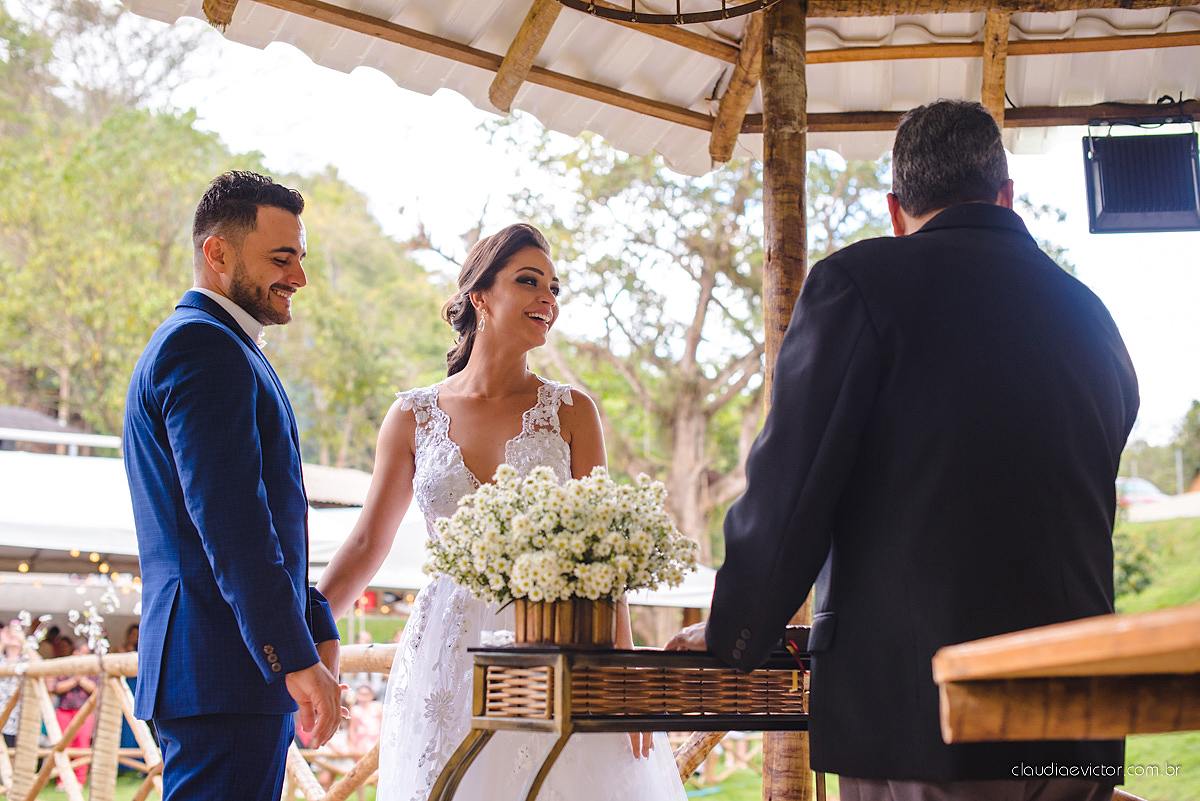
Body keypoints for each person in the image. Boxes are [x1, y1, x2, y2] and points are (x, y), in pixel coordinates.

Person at [667, 100, 1139, 801]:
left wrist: (735, 632)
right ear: (1007, 198)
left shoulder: (858, 285)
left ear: (896, 209)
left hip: (924, 714)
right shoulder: (1092, 317)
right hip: (1080, 722)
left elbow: (790, 493)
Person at [317, 223, 686, 801]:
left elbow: (605, 561)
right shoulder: (412, 416)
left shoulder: (573, 412)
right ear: (479, 296)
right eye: (529, 281)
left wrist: (622, 673)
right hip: (445, 648)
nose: (548, 298)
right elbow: (368, 544)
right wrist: (305, 633)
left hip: (553, 644)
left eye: (554, 287)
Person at [123, 170, 344, 801]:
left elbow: (257, 518)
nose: (298, 277)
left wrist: (315, 619)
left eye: (300, 258)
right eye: (281, 258)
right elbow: (232, 524)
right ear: (216, 253)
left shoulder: (227, 347)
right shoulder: (202, 345)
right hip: (223, 671)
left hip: (225, 673)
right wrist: (295, 658)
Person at [52, 641, 97, 789]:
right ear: (75, 652)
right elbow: (56, 687)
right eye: (81, 651)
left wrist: (81, 679)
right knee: (63, 745)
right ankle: (62, 779)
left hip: (84, 711)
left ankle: (79, 780)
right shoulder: (65, 667)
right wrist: (75, 680)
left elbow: (96, 689)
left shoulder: (92, 670)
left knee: (82, 745)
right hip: (64, 710)